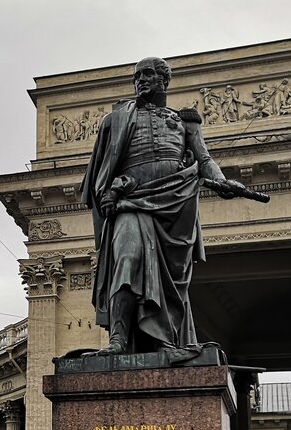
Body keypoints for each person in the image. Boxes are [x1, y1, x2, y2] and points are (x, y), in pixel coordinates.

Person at [81, 56, 249, 356]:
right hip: (130, 202)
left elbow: (204, 160)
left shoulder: (185, 121)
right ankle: (118, 340)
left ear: (164, 80)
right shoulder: (116, 119)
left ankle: (166, 340)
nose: (140, 81)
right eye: (137, 76)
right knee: (128, 259)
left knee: (171, 280)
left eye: (147, 74)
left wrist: (222, 181)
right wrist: (111, 190)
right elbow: (100, 170)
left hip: (176, 205)